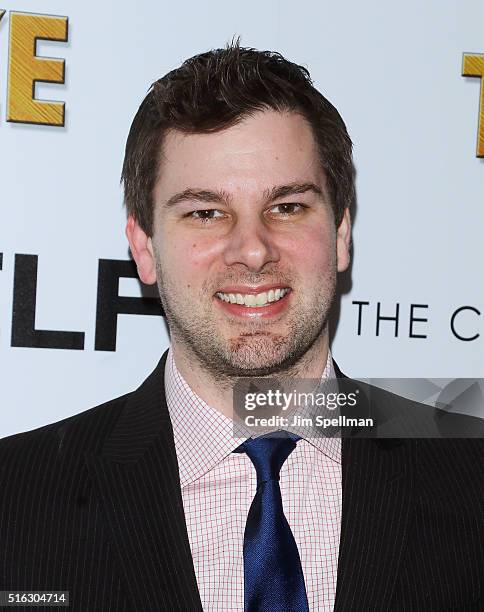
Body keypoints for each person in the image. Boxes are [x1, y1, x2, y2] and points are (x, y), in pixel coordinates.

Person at [1, 42, 483, 612]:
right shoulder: (14, 499)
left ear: (341, 234)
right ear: (144, 247)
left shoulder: (470, 482)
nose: (252, 250)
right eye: (205, 212)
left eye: (287, 207)